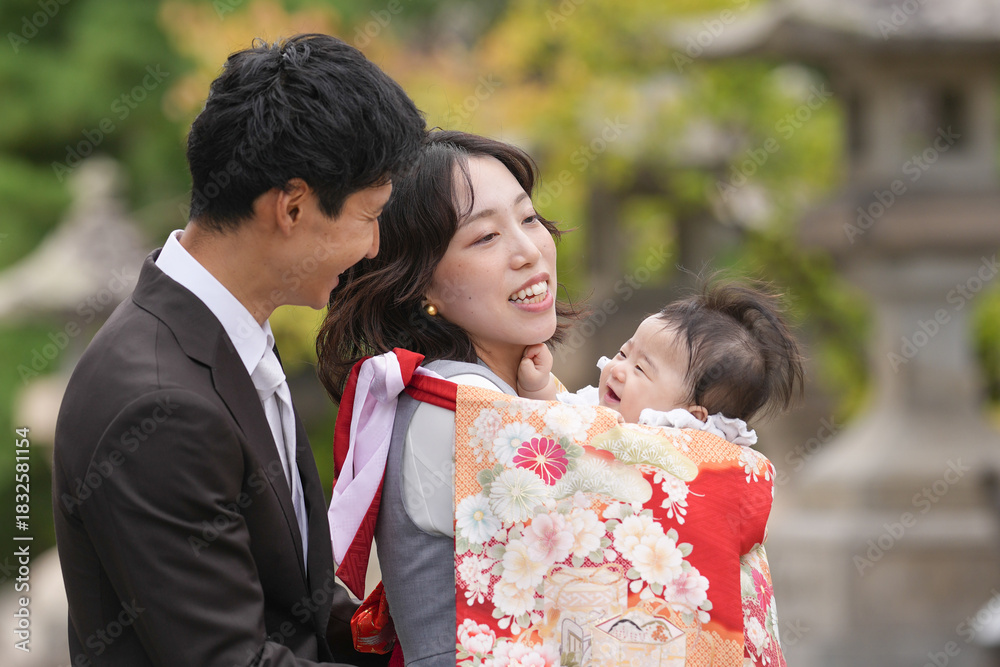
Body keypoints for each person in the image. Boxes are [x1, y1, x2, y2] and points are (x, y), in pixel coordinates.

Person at [53, 34, 425, 666]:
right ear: (293, 207)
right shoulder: (158, 404)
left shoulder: (224, 336)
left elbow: (295, 605)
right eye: (369, 217)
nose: (374, 247)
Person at [317, 130, 575, 666]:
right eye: (486, 237)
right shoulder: (462, 405)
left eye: (528, 218)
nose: (529, 251)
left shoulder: (473, 393)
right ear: (423, 283)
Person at [518, 281, 804, 444]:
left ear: (690, 418)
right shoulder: (595, 406)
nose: (618, 370)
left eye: (640, 369)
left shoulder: (674, 437)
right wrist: (538, 386)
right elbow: (556, 420)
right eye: (623, 353)